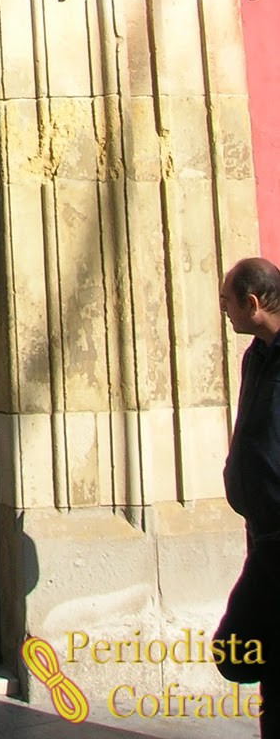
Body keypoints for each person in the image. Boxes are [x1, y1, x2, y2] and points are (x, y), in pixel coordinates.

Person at [213, 257, 280, 737]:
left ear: (252, 303)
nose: (224, 311)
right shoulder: (254, 356)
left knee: (239, 646)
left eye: (226, 302)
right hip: (262, 533)